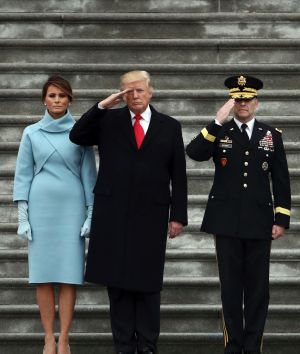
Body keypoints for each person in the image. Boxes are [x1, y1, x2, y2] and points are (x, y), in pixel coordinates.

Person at [69, 70, 188, 354]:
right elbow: (77, 135)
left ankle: (147, 345)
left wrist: (178, 215)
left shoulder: (169, 126)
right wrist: (102, 106)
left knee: (147, 284)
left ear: (151, 92)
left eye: (140, 90)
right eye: (128, 91)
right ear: (122, 94)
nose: (135, 96)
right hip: (114, 213)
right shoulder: (108, 120)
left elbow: (179, 174)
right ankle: (123, 345)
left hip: (152, 213)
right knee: (118, 283)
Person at [186, 75, 291, 354]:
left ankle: (253, 346)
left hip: (259, 222)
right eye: (237, 99)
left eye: (247, 99)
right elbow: (194, 152)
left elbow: (281, 180)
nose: (242, 104)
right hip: (226, 222)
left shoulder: (271, 135)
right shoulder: (220, 131)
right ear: (231, 102)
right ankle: (233, 346)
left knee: (258, 291)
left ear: (256, 102)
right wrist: (216, 120)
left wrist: (281, 219)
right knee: (230, 290)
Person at [13, 76, 97, 354]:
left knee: (69, 275)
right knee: (43, 275)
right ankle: (49, 337)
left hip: (71, 210)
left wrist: (90, 213)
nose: (57, 100)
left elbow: (88, 175)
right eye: (52, 95)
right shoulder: (31, 133)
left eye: (62, 95)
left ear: (69, 99)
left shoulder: (80, 131)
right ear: (43, 100)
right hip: (41, 210)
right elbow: (23, 174)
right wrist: (23, 216)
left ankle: (64, 339)